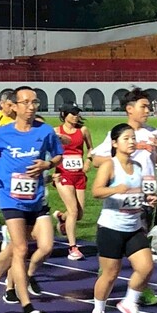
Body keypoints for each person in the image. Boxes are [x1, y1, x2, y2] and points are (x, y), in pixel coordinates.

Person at [0, 86, 62, 313]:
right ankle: (27, 308)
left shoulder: (45, 131)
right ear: (14, 106)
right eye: (25, 102)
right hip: (10, 196)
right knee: (21, 248)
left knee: (46, 246)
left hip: (36, 197)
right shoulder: (2, 133)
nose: (31, 106)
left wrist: (47, 165)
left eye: (34, 102)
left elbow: (58, 155)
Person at [91, 87, 157, 307]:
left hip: (147, 196)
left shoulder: (154, 133)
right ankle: (107, 275)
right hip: (123, 197)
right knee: (121, 246)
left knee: (142, 246)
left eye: (149, 107)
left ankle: (139, 289)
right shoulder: (117, 134)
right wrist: (120, 161)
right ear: (129, 109)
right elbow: (96, 159)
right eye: (143, 106)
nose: (148, 111)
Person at [88, 123, 157, 313]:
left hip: (133, 227)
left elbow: (136, 193)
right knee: (110, 274)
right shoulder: (110, 165)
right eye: (126, 138)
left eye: (133, 138)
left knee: (146, 267)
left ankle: (129, 302)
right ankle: (97, 312)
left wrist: (147, 199)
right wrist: (115, 189)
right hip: (111, 228)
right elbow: (96, 191)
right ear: (115, 143)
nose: (131, 142)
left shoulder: (137, 166)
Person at [52, 102, 93, 261]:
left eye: (77, 113)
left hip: (79, 175)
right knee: (74, 211)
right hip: (63, 175)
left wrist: (88, 161)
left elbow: (90, 148)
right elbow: (47, 150)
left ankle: (62, 217)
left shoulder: (83, 131)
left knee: (79, 214)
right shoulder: (56, 131)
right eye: (72, 113)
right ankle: (73, 248)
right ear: (64, 115)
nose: (76, 116)